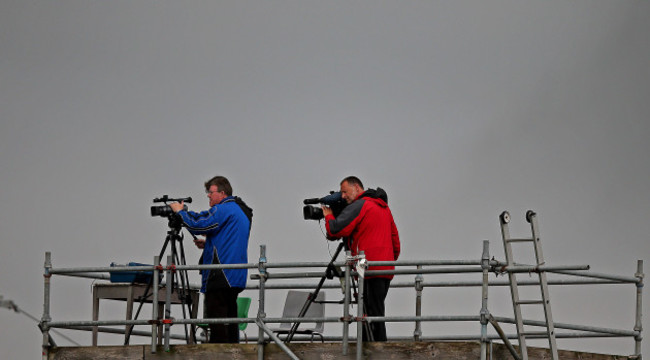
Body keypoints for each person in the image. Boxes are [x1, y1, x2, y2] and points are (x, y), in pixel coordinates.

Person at [169, 175, 252, 343]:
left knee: (217, 317)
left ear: (222, 193)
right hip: (235, 273)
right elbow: (230, 237)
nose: (208, 195)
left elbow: (199, 223)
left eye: (210, 192)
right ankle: (233, 352)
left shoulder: (223, 209)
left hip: (221, 272)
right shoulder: (241, 211)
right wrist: (208, 244)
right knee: (230, 317)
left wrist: (180, 212)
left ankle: (219, 353)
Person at [322, 176, 400, 342]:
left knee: (369, 311)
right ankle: (370, 344)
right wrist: (387, 261)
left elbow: (335, 229)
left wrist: (328, 215)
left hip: (366, 266)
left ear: (356, 187)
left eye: (345, 191)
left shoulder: (360, 205)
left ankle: (375, 349)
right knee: (374, 311)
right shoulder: (383, 207)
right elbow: (395, 242)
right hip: (385, 266)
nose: (343, 196)